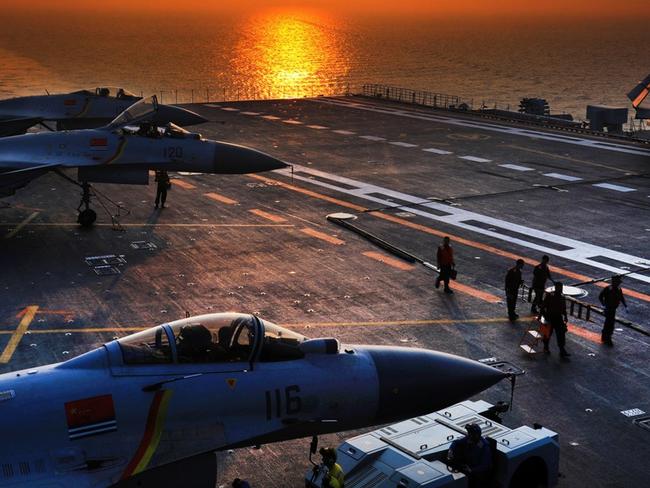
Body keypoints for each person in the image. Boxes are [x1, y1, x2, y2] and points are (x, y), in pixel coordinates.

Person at [447, 423, 492, 488]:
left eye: (471, 434)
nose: (469, 435)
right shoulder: (469, 438)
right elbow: (456, 442)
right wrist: (450, 451)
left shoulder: (484, 447)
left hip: (478, 472)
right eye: (469, 433)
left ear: (476, 435)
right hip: (468, 465)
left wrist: (471, 470)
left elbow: (484, 465)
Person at [541, 282, 570, 357]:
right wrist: (542, 315)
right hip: (550, 317)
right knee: (547, 333)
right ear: (556, 288)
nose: (561, 289)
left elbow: (563, 308)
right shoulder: (550, 295)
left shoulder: (561, 297)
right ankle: (546, 347)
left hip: (558, 317)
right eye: (560, 288)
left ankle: (562, 350)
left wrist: (565, 316)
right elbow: (543, 306)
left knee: (561, 334)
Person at [598, 276, 627, 346]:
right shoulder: (608, 289)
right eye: (618, 282)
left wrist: (625, 305)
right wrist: (604, 304)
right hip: (609, 309)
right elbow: (600, 296)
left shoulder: (618, 289)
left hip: (613, 308)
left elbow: (621, 297)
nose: (619, 283)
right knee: (609, 324)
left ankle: (605, 338)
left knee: (609, 324)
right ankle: (607, 338)